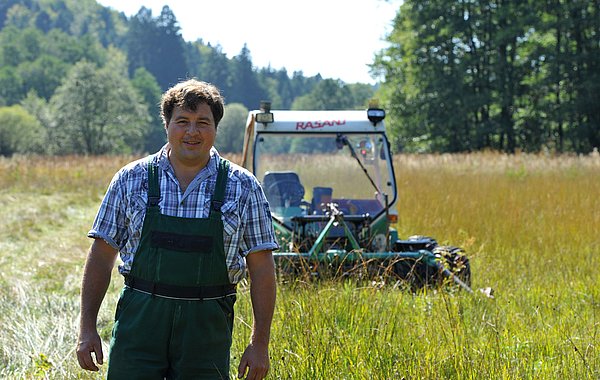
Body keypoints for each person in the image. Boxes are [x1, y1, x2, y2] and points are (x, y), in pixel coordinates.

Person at [76, 79, 278, 380]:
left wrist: (259, 344)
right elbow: (102, 256)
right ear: (167, 124)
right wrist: (87, 327)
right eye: (182, 121)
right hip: (140, 324)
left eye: (202, 123)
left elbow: (262, 270)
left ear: (216, 128)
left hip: (206, 329)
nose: (192, 132)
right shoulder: (131, 179)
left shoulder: (244, 187)